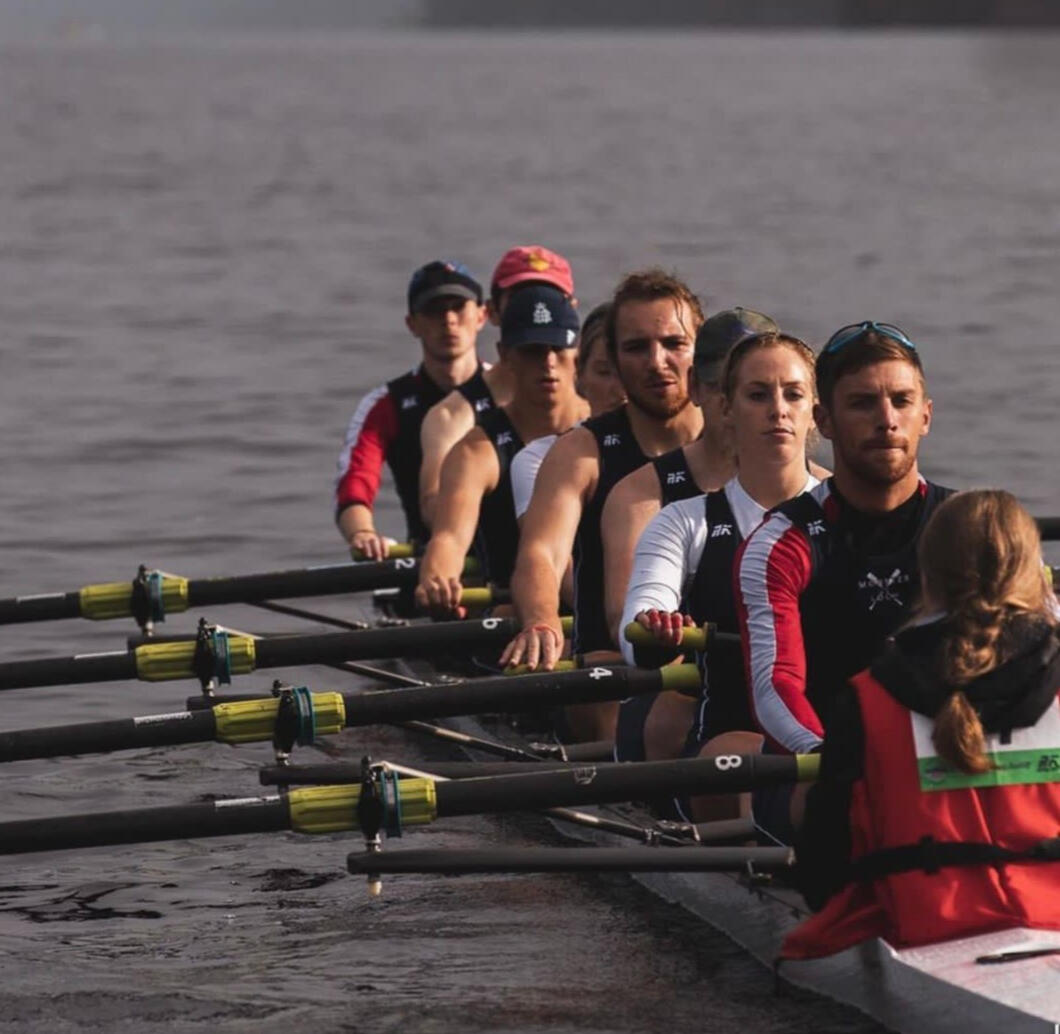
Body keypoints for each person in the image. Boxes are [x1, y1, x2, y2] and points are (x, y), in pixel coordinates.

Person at [787, 490, 1060, 958]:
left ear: (927, 577)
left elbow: (822, 876)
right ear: (1037, 576)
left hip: (926, 925)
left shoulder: (868, 695)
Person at [733, 321, 953, 843]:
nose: (886, 420)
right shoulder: (781, 542)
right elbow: (776, 687)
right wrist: (834, 758)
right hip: (824, 766)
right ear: (824, 421)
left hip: (951, 757)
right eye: (862, 404)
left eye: (901, 401)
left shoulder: (968, 529)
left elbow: (1041, 663)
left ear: (925, 415)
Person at [500, 269, 705, 739]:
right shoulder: (580, 452)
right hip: (612, 669)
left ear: (701, 351)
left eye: (674, 344)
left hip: (719, 659)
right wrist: (542, 621)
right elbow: (541, 555)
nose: (657, 362)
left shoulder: (735, 444)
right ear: (612, 359)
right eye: (636, 348)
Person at [618, 331, 820, 776]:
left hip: (838, 746)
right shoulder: (684, 521)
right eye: (758, 395)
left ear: (815, 412)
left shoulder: (847, 520)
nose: (778, 410)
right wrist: (654, 627)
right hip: (726, 756)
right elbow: (636, 629)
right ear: (726, 409)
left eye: (793, 394)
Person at [601, 308, 779, 645]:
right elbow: (625, 620)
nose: (733, 404)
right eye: (721, 386)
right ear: (694, 387)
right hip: (684, 669)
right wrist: (655, 630)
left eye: (757, 392)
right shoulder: (639, 494)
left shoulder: (825, 492)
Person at [415, 285, 586, 614]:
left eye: (558, 347)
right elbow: (449, 537)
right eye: (533, 351)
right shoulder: (476, 451)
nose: (548, 362)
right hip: (512, 615)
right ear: (505, 355)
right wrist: (438, 577)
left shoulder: (604, 429)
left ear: (576, 351)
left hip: (603, 612)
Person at [334, 260, 491, 559]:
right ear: (412, 324)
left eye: (458, 307)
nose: (448, 320)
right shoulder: (386, 404)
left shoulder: (510, 393)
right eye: (434, 310)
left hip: (508, 564)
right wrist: (363, 533)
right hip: (427, 562)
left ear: (482, 316)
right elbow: (354, 484)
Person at [418, 246, 576, 532]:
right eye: (521, 296)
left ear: (571, 308)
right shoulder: (453, 416)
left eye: (549, 296)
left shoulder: (601, 392)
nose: (536, 306)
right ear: (492, 312)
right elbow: (433, 509)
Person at [510, 303, 626, 524]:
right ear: (579, 372)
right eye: (604, 372)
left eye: (628, 372)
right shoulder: (539, 459)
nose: (620, 390)